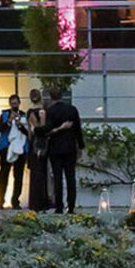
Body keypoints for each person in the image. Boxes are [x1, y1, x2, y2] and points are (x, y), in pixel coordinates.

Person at [42, 85, 84, 213]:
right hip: (70, 147)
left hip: (55, 148)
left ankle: (59, 206)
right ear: (62, 96)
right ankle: (71, 206)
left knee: (58, 178)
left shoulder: (50, 111)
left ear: (51, 97)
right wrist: (80, 146)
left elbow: (47, 129)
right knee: (71, 177)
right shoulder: (72, 110)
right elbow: (78, 129)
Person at [0, 93, 27, 209]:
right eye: (12, 104)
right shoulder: (4, 115)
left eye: (16, 103)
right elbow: (0, 128)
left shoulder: (24, 115)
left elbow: (28, 132)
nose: (14, 105)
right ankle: (0, 201)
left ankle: (15, 201)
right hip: (6, 147)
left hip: (20, 147)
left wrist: (20, 126)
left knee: (18, 175)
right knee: (4, 174)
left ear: (19, 103)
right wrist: (9, 120)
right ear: (10, 104)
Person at [25, 88, 53, 211]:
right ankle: (42, 201)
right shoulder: (42, 111)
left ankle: (35, 201)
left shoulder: (30, 112)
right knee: (42, 173)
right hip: (41, 144)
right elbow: (41, 128)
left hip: (33, 144)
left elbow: (31, 131)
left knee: (36, 173)